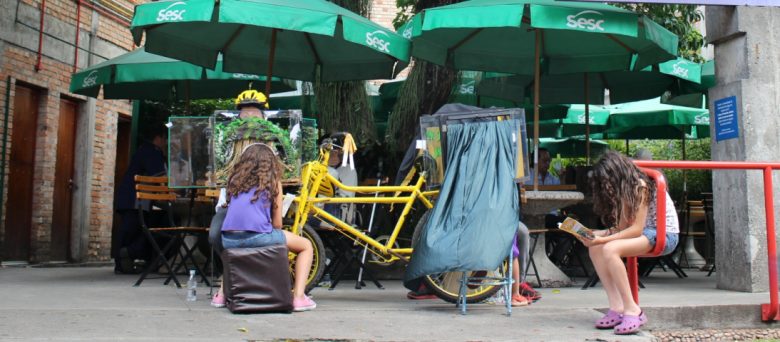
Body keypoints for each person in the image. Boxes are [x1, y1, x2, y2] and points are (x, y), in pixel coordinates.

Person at [577, 150, 679, 335]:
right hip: (646, 234)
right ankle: (617, 307)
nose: (606, 186)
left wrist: (604, 239)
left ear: (616, 173)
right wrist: (595, 235)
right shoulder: (625, 189)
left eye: (607, 181)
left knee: (609, 249)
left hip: (664, 234)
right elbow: (621, 228)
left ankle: (633, 309)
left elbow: (635, 229)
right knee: (596, 248)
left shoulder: (640, 185)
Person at [210, 143, 316, 312]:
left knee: (233, 255)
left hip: (228, 240)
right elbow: (277, 225)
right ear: (271, 163)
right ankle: (299, 297)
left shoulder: (233, 181)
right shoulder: (273, 183)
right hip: (257, 237)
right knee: (306, 246)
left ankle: (221, 295)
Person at [113, 127, 167, 274]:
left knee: (131, 231)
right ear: (159, 138)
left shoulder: (144, 150)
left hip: (130, 198)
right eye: (165, 139)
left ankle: (123, 262)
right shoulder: (152, 152)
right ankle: (125, 258)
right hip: (135, 199)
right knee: (132, 230)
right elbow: (159, 177)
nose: (166, 143)